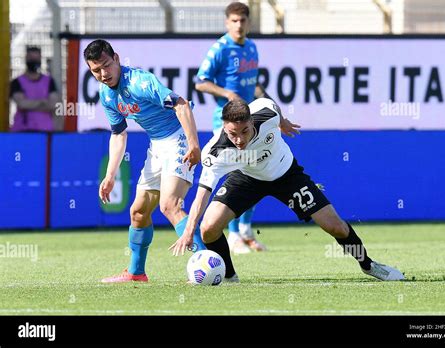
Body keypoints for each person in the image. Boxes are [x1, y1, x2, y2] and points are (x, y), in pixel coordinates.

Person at [170, 98, 405, 282]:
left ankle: (369, 266)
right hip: (246, 178)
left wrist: (282, 122)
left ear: (252, 122)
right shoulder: (216, 152)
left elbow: (274, 107)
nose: (239, 140)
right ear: (224, 127)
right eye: (233, 134)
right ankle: (230, 276)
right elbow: (203, 191)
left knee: (336, 227)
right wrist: (189, 231)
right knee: (209, 229)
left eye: (244, 131)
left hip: (286, 175)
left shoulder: (266, 112)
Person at [83, 39, 206, 283]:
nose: (103, 74)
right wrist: (110, 175)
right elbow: (118, 134)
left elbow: (181, 105)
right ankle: (136, 272)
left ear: (116, 59)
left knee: (169, 205)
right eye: (95, 70)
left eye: (106, 66)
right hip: (157, 146)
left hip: (178, 137)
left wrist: (193, 144)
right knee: (138, 212)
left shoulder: (140, 82)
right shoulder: (106, 95)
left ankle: (207, 262)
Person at [195, 2, 269, 254]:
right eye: (234, 21)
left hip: (250, 122)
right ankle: (233, 234)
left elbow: (253, 82)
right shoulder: (220, 48)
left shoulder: (251, 47)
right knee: (238, 176)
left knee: (256, 172)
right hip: (227, 124)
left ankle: (246, 231)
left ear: (248, 22)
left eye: (243, 20)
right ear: (227, 23)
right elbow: (201, 82)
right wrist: (226, 93)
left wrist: (266, 100)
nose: (239, 25)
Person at [10, 46, 60, 132]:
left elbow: (53, 105)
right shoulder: (17, 82)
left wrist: (29, 104)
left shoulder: (49, 81)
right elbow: (21, 104)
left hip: (45, 131)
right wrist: (43, 102)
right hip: (22, 130)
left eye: (36, 58)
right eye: (31, 58)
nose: (34, 62)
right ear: (26, 59)